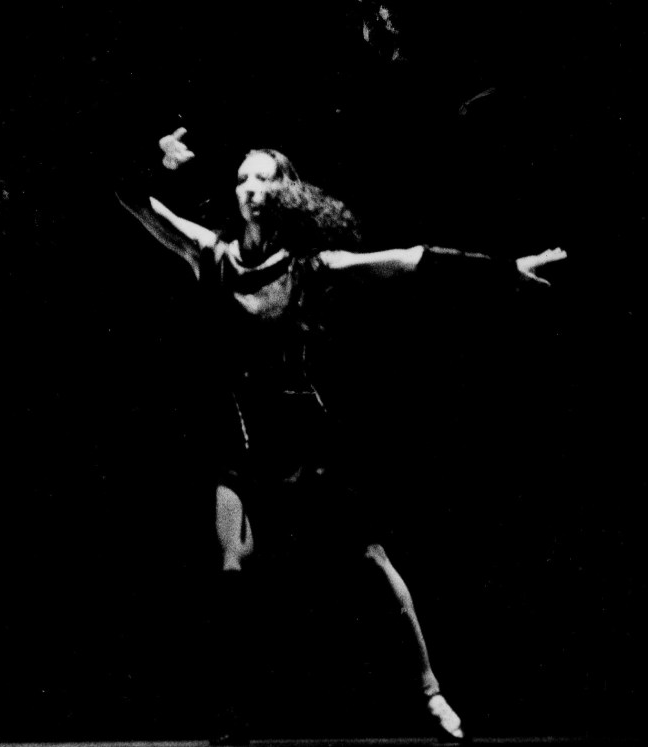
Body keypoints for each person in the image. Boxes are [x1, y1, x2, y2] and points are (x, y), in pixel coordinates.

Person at [118, 125, 566, 743]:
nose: (250, 188)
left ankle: (431, 692)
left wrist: (508, 271)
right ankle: (232, 708)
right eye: (242, 178)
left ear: (287, 191)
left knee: (368, 561)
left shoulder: (313, 267)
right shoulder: (211, 254)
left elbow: (411, 260)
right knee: (232, 564)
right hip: (242, 438)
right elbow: (135, 203)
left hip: (307, 438)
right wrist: (155, 162)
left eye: (264, 177)